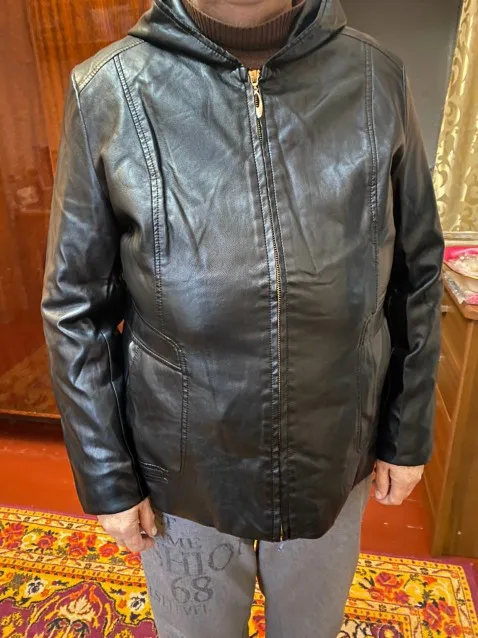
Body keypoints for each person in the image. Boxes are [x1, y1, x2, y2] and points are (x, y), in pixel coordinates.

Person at [40, 0, 444, 635]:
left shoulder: (376, 79)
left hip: (332, 453)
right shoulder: (109, 90)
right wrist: (107, 474)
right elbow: (76, 305)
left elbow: (416, 272)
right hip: (183, 471)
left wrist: (407, 430)